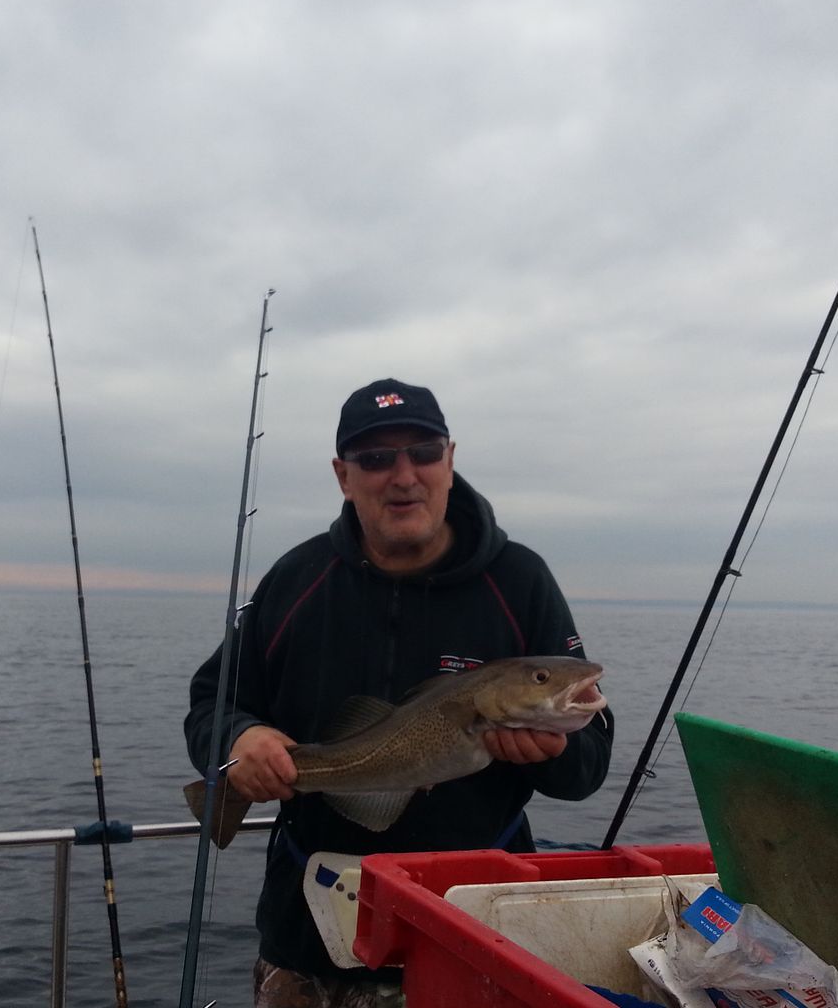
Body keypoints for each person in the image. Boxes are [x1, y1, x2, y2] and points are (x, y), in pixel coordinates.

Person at [185, 377, 614, 1008]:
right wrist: (238, 741)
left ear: (450, 459)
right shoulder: (298, 580)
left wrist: (556, 754)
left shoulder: (519, 580)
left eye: (423, 452)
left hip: (474, 933)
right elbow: (210, 702)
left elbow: (589, 766)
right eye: (376, 459)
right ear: (343, 475)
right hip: (308, 940)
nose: (403, 475)